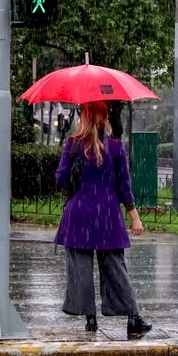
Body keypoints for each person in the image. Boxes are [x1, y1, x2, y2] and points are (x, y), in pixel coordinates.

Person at [55, 101, 152, 335]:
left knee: (81, 268)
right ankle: (133, 318)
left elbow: (60, 179)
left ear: (84, 118)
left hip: (78, 215)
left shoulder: (72, 145)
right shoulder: (116, 148)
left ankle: (90, 319)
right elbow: (124, 186)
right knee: (116, 268)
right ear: (104, 119)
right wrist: (135, 217)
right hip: (107, 215)